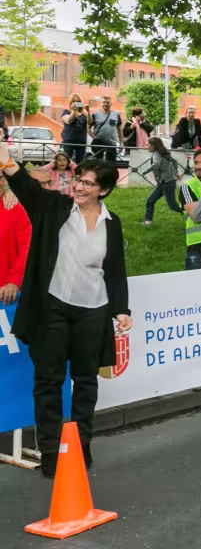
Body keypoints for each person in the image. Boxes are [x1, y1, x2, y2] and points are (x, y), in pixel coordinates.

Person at [0, 143, 130, 479]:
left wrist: (121, 309)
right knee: (48, 381)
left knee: (86, 381)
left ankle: (81, 446)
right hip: (52, 308)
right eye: (77, 180)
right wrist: (8, 163)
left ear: (104, 189)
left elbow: (114, 269)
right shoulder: (55, 208)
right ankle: (50, 452)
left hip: (93, 310)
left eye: (87, 183)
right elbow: (28, 188)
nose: (78, 187)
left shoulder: (110, 223)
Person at [0, 170, 31, 308]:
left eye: (0, 178)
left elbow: (26, 248)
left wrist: (14, 281)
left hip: (4, 292)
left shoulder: (14, 208)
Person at [142, 137, 184, 225]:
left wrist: (145, 171)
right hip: (164, 182)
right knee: (150, 201)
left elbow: (156, 164)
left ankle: (190, 213)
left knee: (173, 206)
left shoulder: (157, 154)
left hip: (167, 183)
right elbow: (174, 162)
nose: (146, 146)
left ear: (154, 146)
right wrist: (176, 173)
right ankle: (148, 221)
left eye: (148, 144)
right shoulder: (163, 153)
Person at [90, 97, 122, 164]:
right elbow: (87, 127)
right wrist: (94, 137)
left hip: (112, 143)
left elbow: (119, 130)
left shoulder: (116, 115)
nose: (105, 104)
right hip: (99, 142)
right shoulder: (95, 114)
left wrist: (121, 143)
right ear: (101, 103)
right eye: (104, 102)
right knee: (98, 163)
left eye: (107, 102)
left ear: (111, 104)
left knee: (111, 163)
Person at [60, 94, 90, 163]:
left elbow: (90, 123)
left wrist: (88, 112)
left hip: (81, 141)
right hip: (69, 140)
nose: (76, 103)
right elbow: (68, 121)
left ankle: (78, 174)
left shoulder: (84, 113)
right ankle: (68, 174)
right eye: (74, 101)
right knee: (67, 162)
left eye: (78, 101)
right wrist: (73, 111)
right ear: (70, 102)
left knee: (80, 163)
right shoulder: (66, 111)